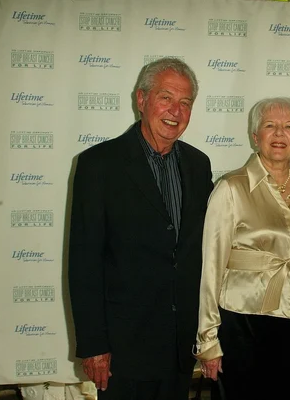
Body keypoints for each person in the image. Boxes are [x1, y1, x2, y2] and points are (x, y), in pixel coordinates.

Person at [68, 58, 213, 400]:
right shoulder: (98, 165)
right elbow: (84, 262)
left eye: (185, 102)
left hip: (180, 346)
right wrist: (94, 346)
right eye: (166, 97)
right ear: (141, 99)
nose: (175, 111)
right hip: (123, 350)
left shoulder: (198, 164)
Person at [194, 97, 290, 400]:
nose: (279, 134)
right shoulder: (231, 188)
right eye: (270, 126)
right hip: (242, 324)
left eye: (289, 127)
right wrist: (208, 340)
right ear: (255, 137)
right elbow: (211, 268)